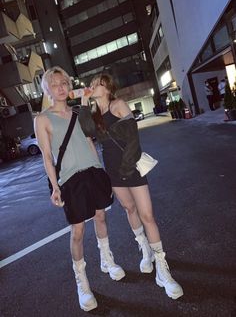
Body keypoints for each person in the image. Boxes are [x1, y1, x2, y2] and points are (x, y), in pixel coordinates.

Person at [81, 73, 184, 300]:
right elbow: (87, 132)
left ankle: (162, 269)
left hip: (130, 167)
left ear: (107, 88)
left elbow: (133, 137)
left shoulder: (118, 104)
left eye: (97, 83)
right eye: (92, 84)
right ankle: (145, 249)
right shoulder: (93, 113)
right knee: (129, 209)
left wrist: (128, 168)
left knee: (148, 215)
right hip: (112, 170)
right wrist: (82, 101)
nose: (92, 86)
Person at [34, 67, 125, 312]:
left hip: (92, 171)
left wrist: (100, 169)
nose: (61, 87)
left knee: (101, 216)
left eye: (64, 82)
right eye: (55, 84)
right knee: (77, 230)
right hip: (70, 180)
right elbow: (46, 157)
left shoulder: (78, 112)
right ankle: (82, 283)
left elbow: (88, 141)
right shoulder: (42, 119)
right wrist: (55, 187)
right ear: (47, 89)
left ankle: (107, 260)